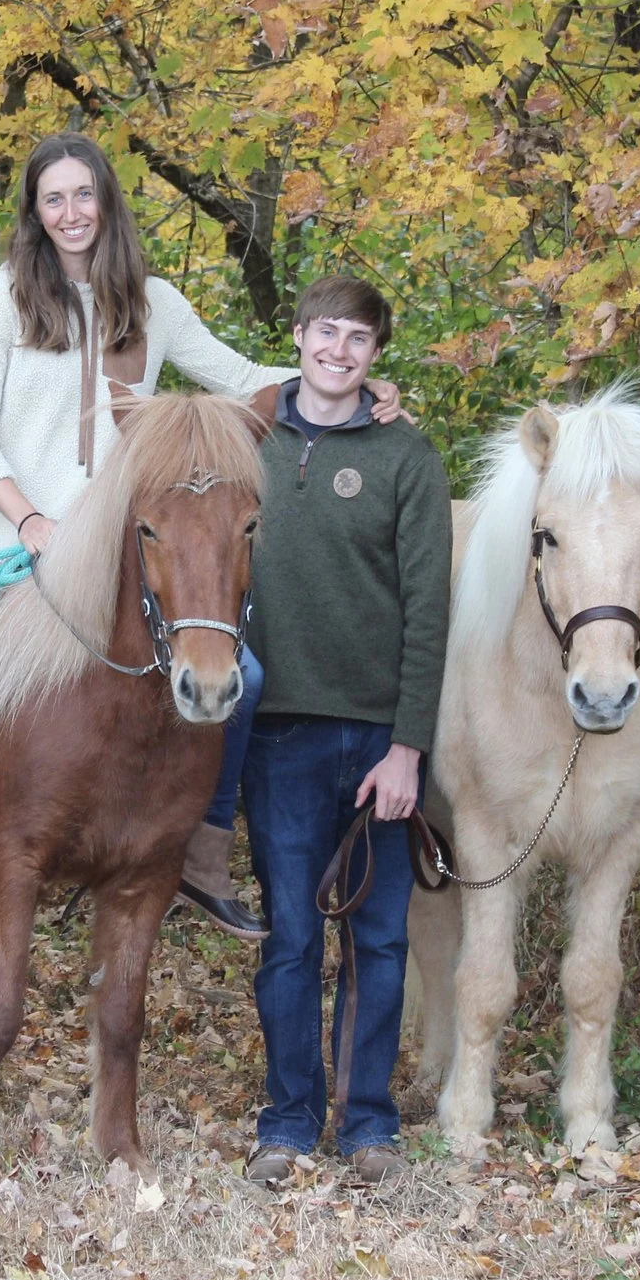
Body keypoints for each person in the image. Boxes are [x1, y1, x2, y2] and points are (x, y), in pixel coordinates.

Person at [0, 135, 404, 942]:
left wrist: (349, 384)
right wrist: (27, 516)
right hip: (4, 531)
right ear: (35, 213)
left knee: (248, 676)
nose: (72, 212)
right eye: (54, 198)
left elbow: (240, 378)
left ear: (107, 202)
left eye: (85, 195)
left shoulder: (153, 303)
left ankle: (203, 855)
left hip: (116, 551)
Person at [236, 274, 451, 1187]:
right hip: (275, 735)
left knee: (379, 942)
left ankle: (367, 1125)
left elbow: (429, 613)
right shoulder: (246, 438)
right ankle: (287, 1121)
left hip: (376, 744)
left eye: (359, 339)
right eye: (327, 333)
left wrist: (407, 749)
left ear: (375, 355)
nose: (340, 351)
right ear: (297, 337)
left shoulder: (408, 457)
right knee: (289, 937)